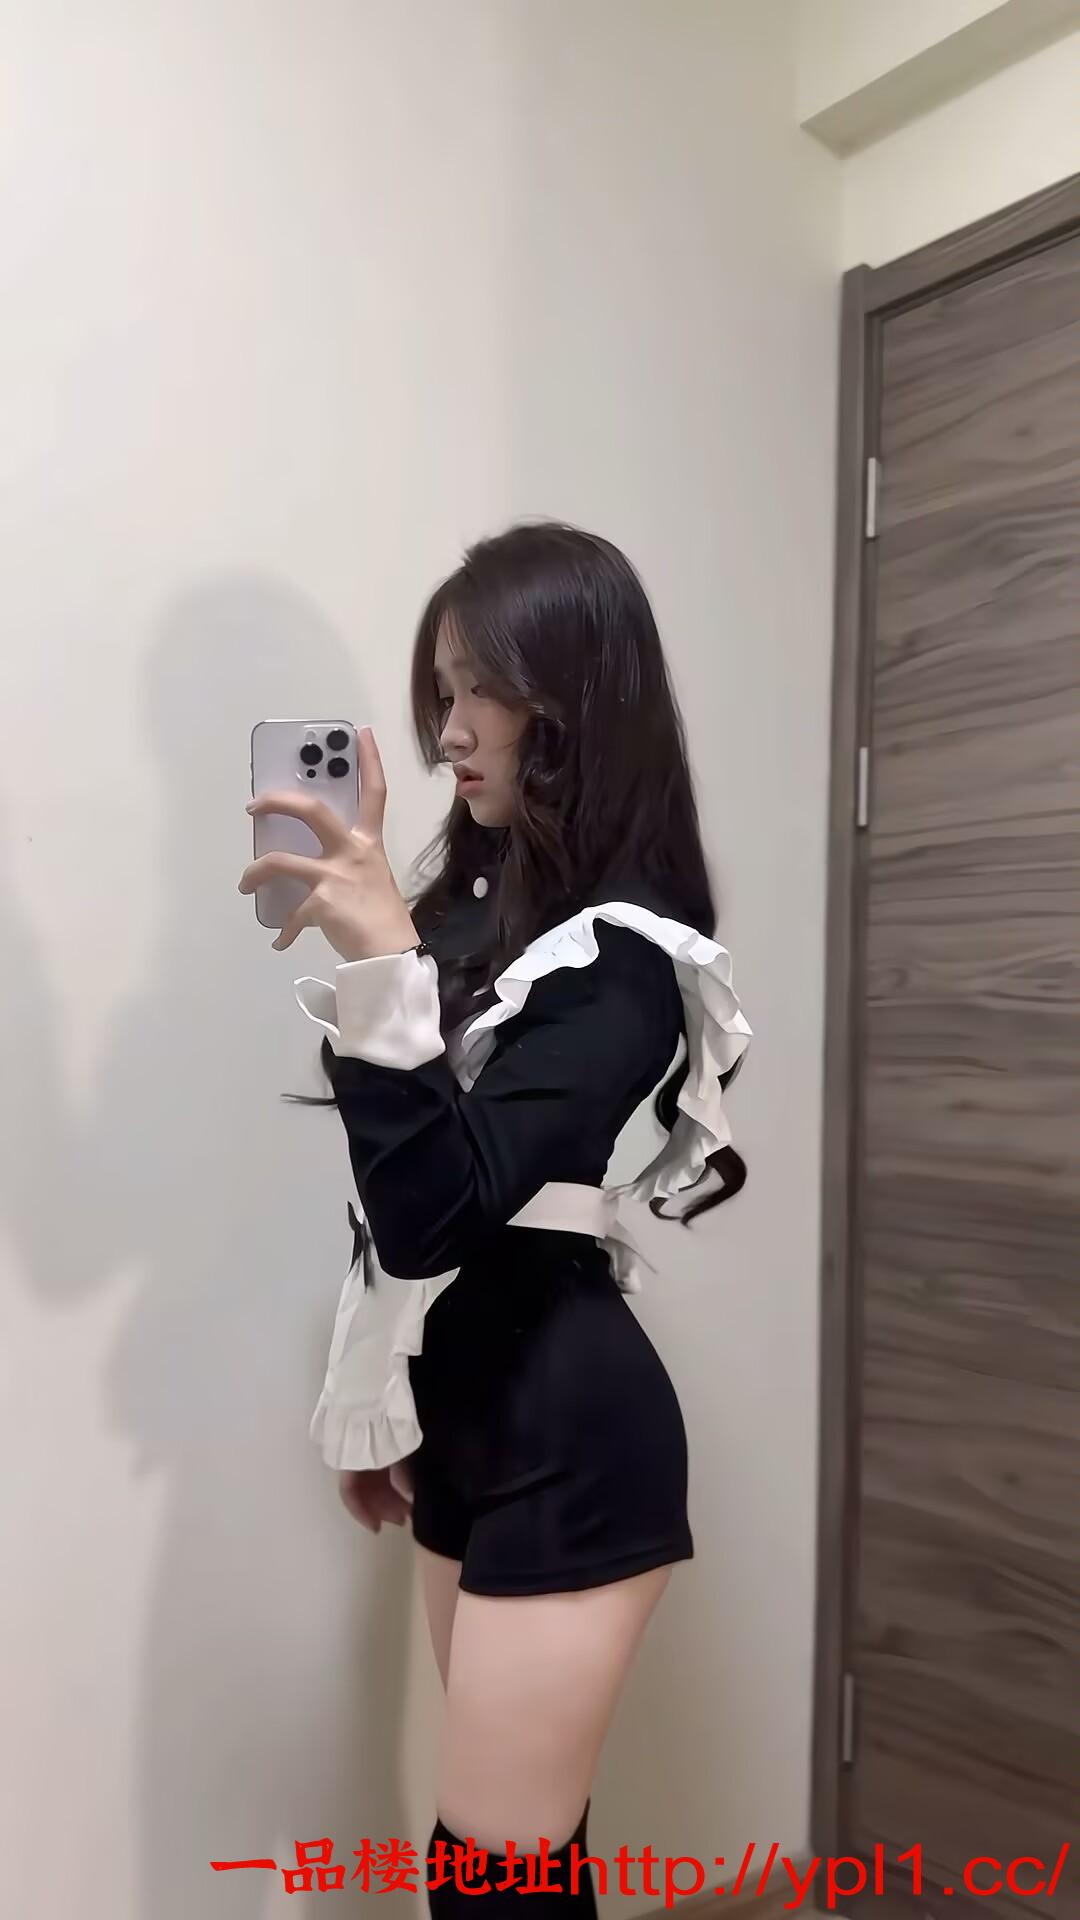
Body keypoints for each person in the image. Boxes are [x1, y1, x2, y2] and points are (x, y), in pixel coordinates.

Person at [238, 522, 751, 1916]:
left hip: (570, 1442)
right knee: (516, 1865)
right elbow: (400, 1207)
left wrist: (379, 963)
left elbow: (441, 1217)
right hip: (465, 1425)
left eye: (486, 690)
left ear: (573, 704)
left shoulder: (626, 959)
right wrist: (382, 1405)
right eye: (445, 690)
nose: (451, 730)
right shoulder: (476, 928)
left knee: (489, 1877)